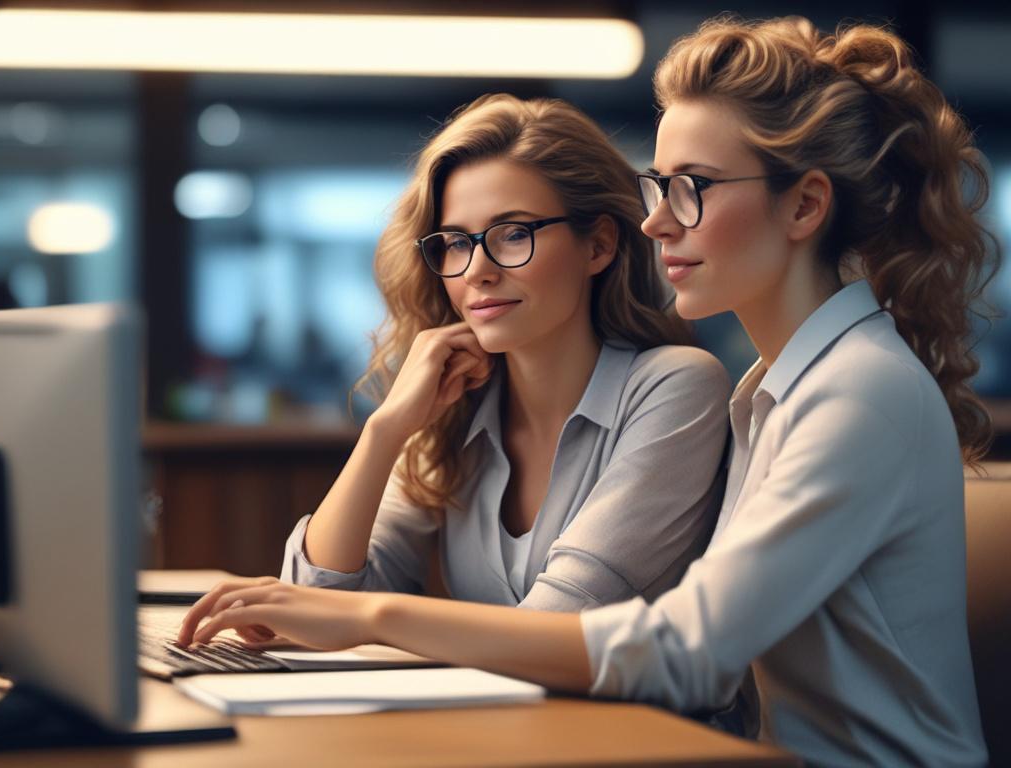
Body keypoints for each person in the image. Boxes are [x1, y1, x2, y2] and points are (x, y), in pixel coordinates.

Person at [179, 16, 997, 766]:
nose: (657, 224)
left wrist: (372, 617)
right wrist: (387, 431)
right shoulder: (772, 388)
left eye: (695, 188)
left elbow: (685, 652)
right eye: (659, 185)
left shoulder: (859, 393)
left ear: (805, 204)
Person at [284, 95, 731, 613]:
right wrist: (385, 431)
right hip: (487, 698)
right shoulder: (454, 411)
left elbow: (562, 622)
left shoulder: (677, 386)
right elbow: (313, 605)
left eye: (514, 233)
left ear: (599, 246)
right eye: (455, 242)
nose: (476, 270)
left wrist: (378, 620)